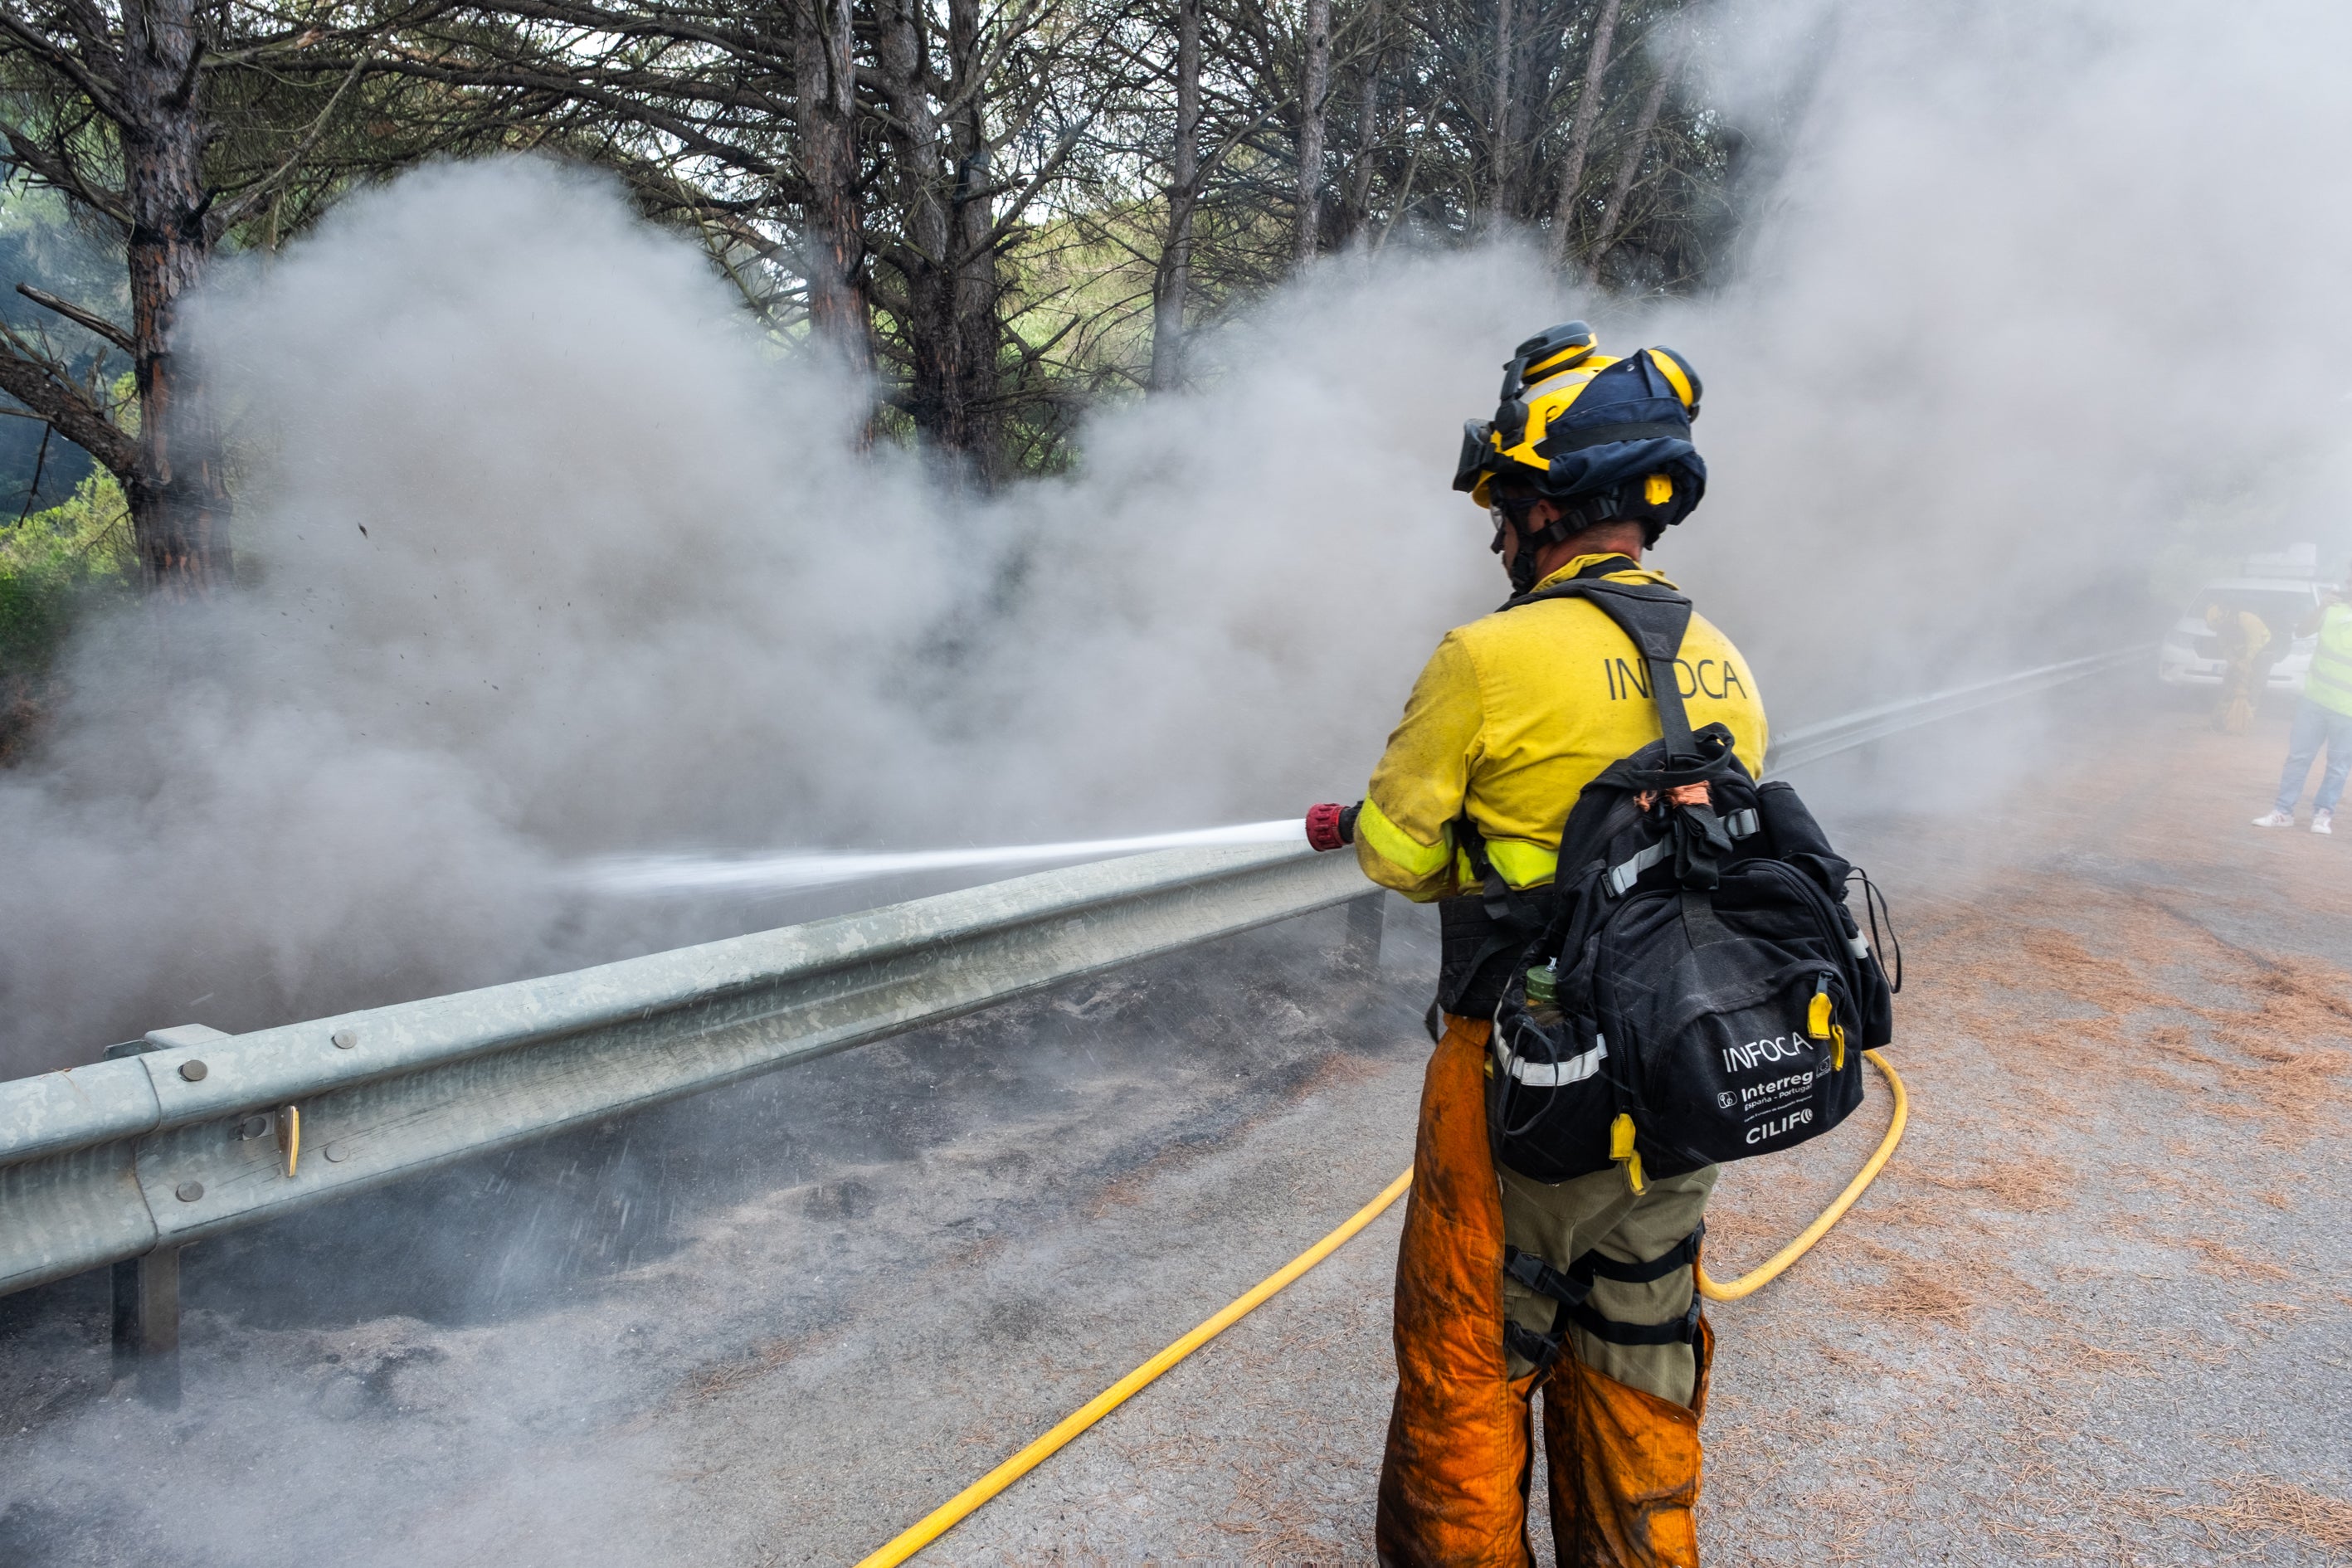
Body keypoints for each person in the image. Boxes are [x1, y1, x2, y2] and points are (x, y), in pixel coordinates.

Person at [1306, 324, 1763, 1566]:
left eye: (1502, 505)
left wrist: (1443, 837)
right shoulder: (1723, 662)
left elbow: (1396, 857)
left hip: (1519, 1083)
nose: (1496, 534)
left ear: (1545, 507)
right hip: (1674, 1078)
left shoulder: (1485, 657)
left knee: (1468, 1361)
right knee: (1635, 1357)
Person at [2252, 571, 2352, 834]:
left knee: (2339, 767)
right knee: (2298, 758)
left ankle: (2323, 814)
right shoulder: (2331, 609)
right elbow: (2302, 630)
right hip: (2314, 701)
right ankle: (2283, 812)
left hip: (2348, 710)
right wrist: (2321, 606)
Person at [2208, 601, 2274, 733]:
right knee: (2229, 685)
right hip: (2242, 655)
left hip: (2263, 653)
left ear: (2226, 616)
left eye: (2222, 626)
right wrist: (2235, 663)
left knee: (2253, 688)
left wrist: (2246, 662)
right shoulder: (2221, 629)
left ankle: (2244, 724)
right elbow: (2225, 648)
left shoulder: (2248, 620)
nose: (2221, 630)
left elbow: (2255, 644)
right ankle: (2220, 721)